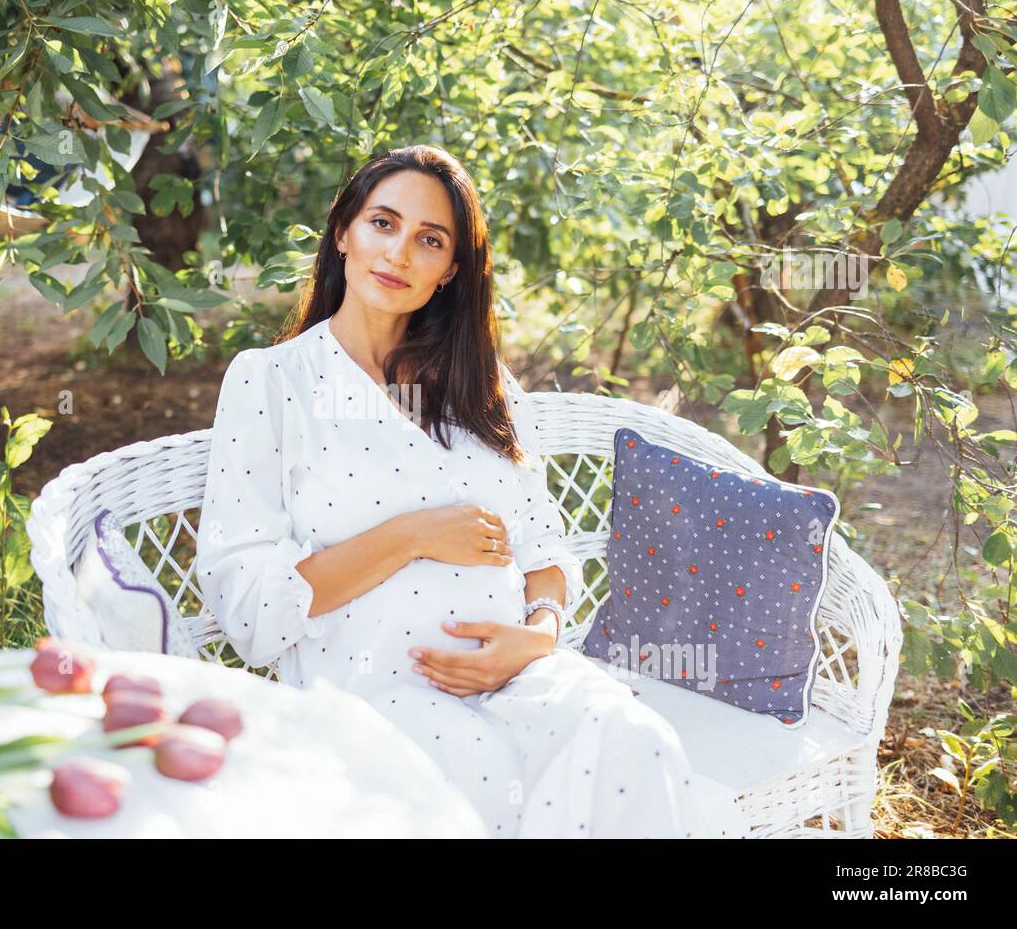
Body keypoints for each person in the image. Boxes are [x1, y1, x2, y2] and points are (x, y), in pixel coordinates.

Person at [196, 144, 747, 838]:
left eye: (429, 240)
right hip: (376, 698)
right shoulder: (271, 383)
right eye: (382, 223)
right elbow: (248, 607)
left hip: (521, 680)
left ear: (451, 270)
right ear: (343, 233)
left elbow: (544, 551)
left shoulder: (479, 386)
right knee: (473, 785)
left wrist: (538, 637)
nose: (397, 254)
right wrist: (412, 535)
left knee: (635, 741)